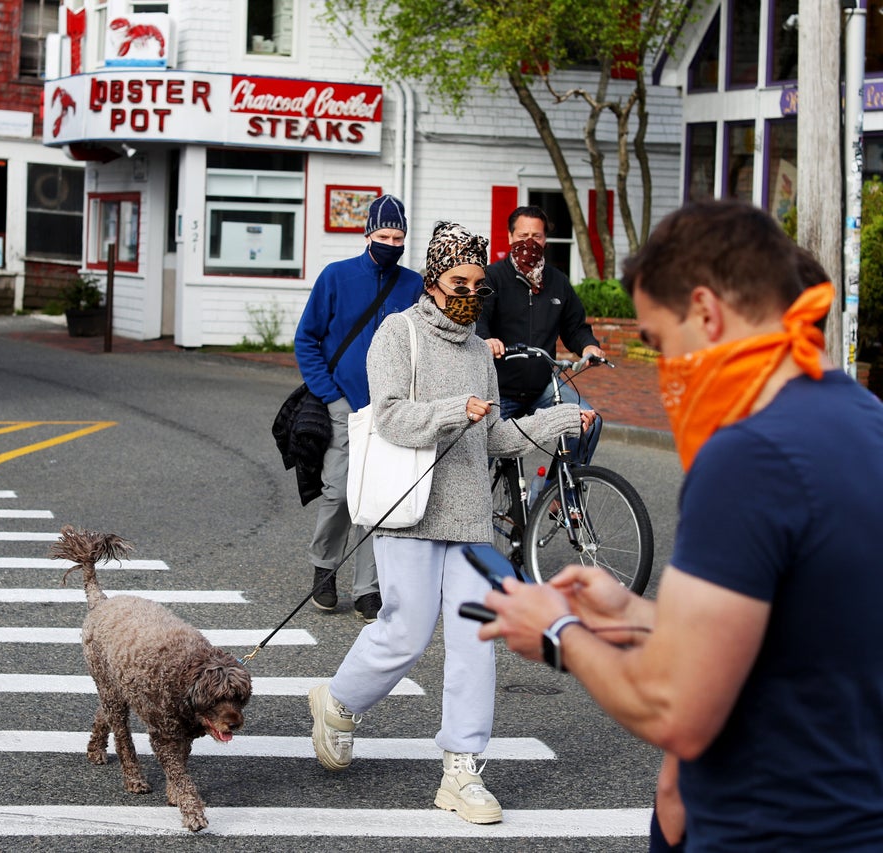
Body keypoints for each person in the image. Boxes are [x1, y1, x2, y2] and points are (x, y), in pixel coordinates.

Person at [480, 199, 883, 850]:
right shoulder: (865, 418)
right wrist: (638, 615)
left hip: (766, 827)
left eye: (661, 342)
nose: (666, 371)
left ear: (706, 312)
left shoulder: (747, 455)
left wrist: (558, 633)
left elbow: (678, 708)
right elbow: (800, 634)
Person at [308, 221, 591, 824]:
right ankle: (336, 702)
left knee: (475, 640)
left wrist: (560, 423)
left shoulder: (477, 352)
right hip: (407, 513)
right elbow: (387, 419)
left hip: (466, 517)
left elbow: (494, 437)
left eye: (478, 284)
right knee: (405, 632)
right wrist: (448, 410)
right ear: (433, 280)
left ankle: (462, 769)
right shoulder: (397, 333)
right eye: (458, 281)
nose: (469, 293)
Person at [294, 194, 424, 623]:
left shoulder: (413, 285)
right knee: (339, 490)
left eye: (398, 235)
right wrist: (330, 394)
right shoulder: (336, 277)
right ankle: (324, 568)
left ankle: (368, 587)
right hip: (344, 402)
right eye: (384, 234)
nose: (391, 242)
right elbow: (306, 339)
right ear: (367, 233)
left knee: (378, 496)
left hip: (392, 404)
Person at [476, 205, 604, 465]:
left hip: (543, 388)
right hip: (499, 390)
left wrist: (589, 346)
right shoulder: (492, 277)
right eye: (523, 236)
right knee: (479, 458)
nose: (529, 243)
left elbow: (574, 327)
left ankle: (557, 497)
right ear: (510, 236)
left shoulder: (558, 281)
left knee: (588, 421)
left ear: (545, 239)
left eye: (537, 236)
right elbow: (478, 319)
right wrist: (486, 340)